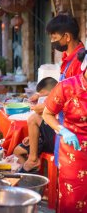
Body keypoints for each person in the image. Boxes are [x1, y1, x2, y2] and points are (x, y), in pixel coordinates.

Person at [42, 52, 87, 212]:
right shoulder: (67, 86)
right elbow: (47, 114)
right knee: (73, 198)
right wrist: (62, 130)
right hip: (73, 152)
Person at [43, 14, 85, 168]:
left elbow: (76, 99)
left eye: (54, 36)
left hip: (74, 128)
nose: (52, 41)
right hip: (62, 123)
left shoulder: (80, 62)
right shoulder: (69, 58)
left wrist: (45, 107)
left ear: (66, 37)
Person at [13, 77, 58, 168]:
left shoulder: (59, 97)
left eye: (43, 95)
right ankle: (30, 175)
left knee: (33, 118)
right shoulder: (50, 98)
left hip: (57, 139)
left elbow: (40, 111)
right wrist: (32, 135)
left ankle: (33, 159)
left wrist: (36, 107)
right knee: (17, 151)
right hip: (48, 134)